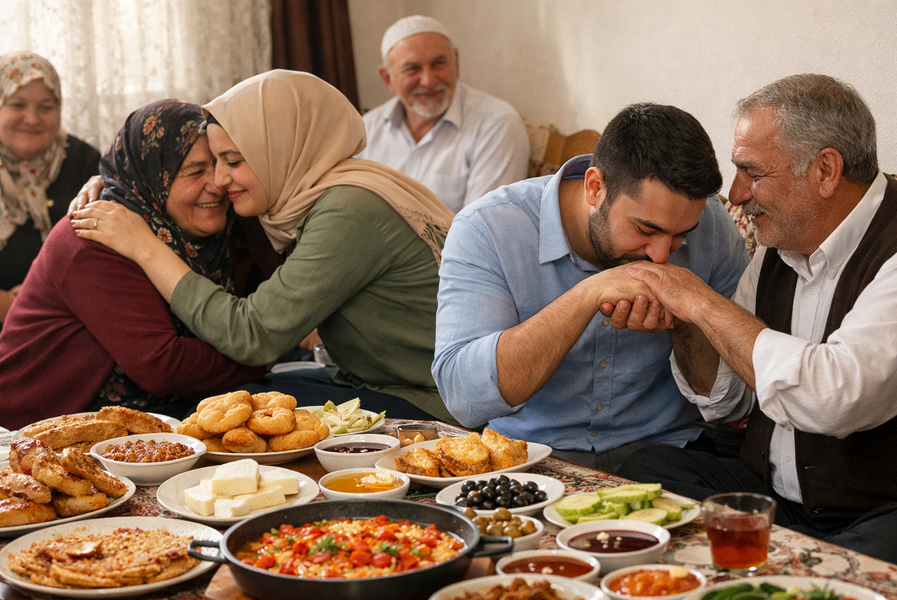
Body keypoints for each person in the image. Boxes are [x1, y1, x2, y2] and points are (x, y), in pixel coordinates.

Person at [615, 74, 897, 584]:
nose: (735, 195)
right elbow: (730, 401)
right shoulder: (780, 244)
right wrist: (685, 324)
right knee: (644, 471)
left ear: (825, 170)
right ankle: (786, 564)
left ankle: (792, 569)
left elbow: (833, 398)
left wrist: (703, 302)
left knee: (887, 554)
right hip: (777, 498)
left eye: (751, 172)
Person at [73, 70, 457, 424]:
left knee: (223, 415)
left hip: (429, 398)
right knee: (234, 404)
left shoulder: (348, 210)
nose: (220, 180)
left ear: (281, 150)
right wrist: (117, 181)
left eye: (232, 161)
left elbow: (253, 335)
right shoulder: (329, 190)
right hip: (384, 382)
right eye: (207, 165)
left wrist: (146, 247)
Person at [433, 102, 749, 471]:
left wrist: (686, 323)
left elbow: (735, 400)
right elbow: (464, 398)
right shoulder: (488, 228)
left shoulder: (712, 225)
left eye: (681, 236)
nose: (662, 255)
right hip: (529, 458)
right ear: (595, 187)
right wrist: (587, 295)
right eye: (645, 230)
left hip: (671, 456)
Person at [0, 100, 264, 429]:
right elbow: (163, 365)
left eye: (222, 163)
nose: (218, 183)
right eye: (196, 171)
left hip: (149, 412)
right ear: (150, 174)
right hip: (36, 428)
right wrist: (268, 350)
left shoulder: (211, 224)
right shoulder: (92, 235)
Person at [357, 15, 529, 214]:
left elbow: (484, 225)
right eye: (412, 69)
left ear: (456, 63)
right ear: (388, 78)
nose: (429, 81)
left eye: (439, 63)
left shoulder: (496, 124)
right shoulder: (366, 129)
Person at [0, 52, 100, 326]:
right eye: (17, 105)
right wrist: (11, 305)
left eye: (45, 107)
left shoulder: (83, 161)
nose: (32, 119)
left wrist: (44, 301)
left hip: (73, 318)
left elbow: (107, 251)